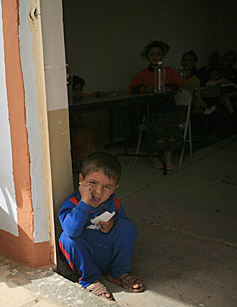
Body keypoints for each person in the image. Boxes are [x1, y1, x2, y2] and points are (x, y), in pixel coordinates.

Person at [58, 152, 144, 302]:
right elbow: (71, 230)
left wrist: (112, 224)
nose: (98, 192)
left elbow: (122, 224)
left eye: (107, 187)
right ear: (81, 180)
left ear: (115, 188)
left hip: (107, 253)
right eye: (92, 183)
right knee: (67, 238)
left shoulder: (113, 203)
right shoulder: (72, 203)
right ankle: (90, 279)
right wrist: (84, 202)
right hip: (86, 257)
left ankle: (119, 273)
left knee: (127, 226)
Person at [129, 40, 183, 170]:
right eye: (152, 54)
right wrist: (145, 89)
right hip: (151, 107)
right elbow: (133, 88)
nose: (155, 57)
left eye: (158, 54)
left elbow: (179, 84)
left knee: (168, 124)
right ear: (147, 56)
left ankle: (168, 156)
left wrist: (165, 88)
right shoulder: (142, 73)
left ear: (163, 56)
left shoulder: (169, 72)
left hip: (168, 106)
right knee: (154, 125)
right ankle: (155, 156)